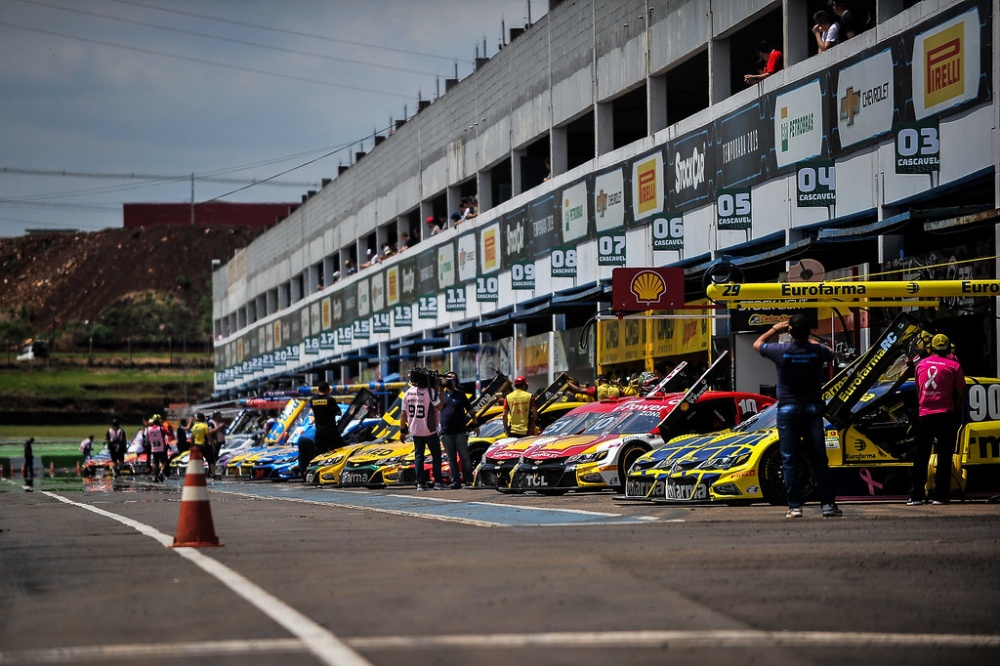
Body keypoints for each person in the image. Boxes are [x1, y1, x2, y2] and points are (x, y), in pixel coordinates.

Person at [754, 314, 842, 518]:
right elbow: (833, 354)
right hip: (812, 409)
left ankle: (795, 506)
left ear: (790, 331)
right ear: (808, 331)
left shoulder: (781, 351)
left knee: (789, 459)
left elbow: (758, 343)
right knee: (819, 459)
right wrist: (809, 338)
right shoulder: (817, 351)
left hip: (787, 410)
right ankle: (828, 505)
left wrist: (776, 329)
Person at [909, 334, 965, 506]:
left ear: (930, 349)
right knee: (944, 456)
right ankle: (940, 497)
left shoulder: (920, 365)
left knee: (920, 456)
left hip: (925, 414)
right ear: (948, 349)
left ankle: (916, 496)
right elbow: (961, 392)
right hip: (945, 413)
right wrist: (953, 408)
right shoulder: (955, 366)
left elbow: (918, 390)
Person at [399, 368, 445, 490]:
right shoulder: (430, 392)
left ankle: (420, 483)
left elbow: (403, 415)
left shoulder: (407, 393)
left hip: (415, 429)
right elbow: (440, 406)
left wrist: (402, 431)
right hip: (429, 429)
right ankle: (438, 481)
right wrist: (441, 390)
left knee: (418, 455)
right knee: (436, 454)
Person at [438, 371, 478, 488]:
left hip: (460, 431)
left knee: (464, 456)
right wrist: (440, 388)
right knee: (451, 458)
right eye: (449, 380)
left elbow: (471, 411)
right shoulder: (441, 395)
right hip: (446, 432)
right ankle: (455, 481)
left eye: (453, 380)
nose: (451, 382)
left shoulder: (460, 395)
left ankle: (469, 480)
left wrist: (476, 425)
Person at [308, 381, 345, 480]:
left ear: (318, 390)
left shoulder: (312, 400)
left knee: (319, 455)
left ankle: (317, 476)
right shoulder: (330, 400)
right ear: (328, 390)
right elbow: (339, 412)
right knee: (337, 454)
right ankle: (334, 475)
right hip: (331, 431)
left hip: (319, 432)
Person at [145, 415, 169, 482]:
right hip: (162, 448)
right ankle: (161, 473)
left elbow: (147, 437)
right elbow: (169, 433)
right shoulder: (162, 428)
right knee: (164, 462)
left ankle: (155, 475)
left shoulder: (148, 429)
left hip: (153, 448)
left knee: (155, 462)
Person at [207, 411, 226, 480]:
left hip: (220, 442)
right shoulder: (211, 423)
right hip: (214, 442)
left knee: (216, 457)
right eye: (218, 416)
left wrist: (222, 428)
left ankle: (213, 472)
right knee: (213, 457)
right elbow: (210, 432)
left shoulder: (220, 423)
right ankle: (211, 472)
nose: (220, 417)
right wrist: (218, 428)